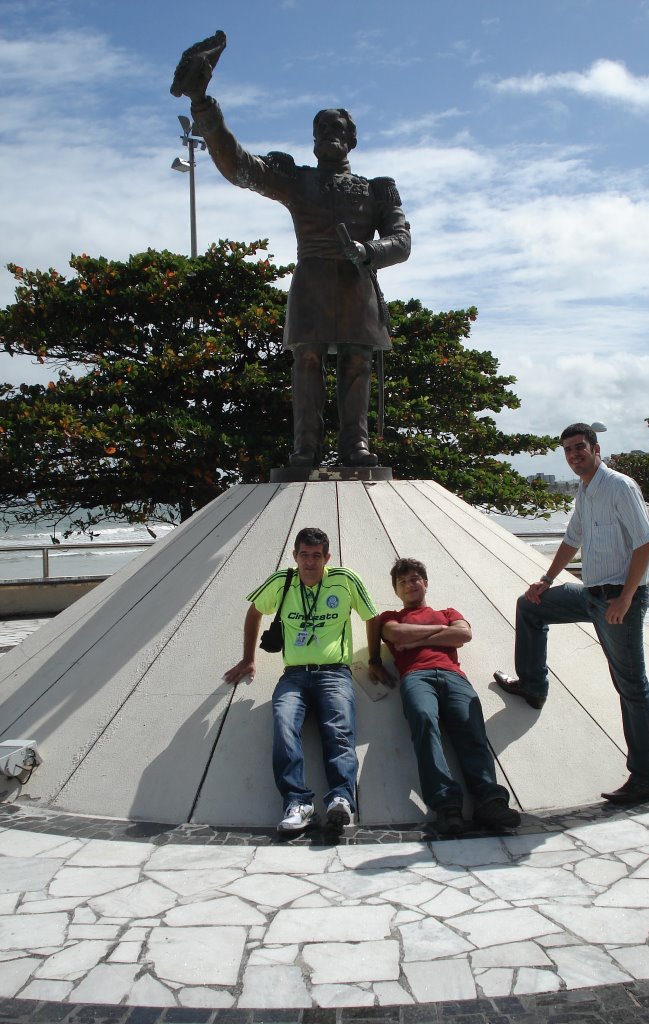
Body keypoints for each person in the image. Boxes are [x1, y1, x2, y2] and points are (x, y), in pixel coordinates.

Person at [173, 35, 411, 468]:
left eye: (336, 130)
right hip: (312, 284)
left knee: (356, 364)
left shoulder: (377, 189)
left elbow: (402, 240)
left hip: (357, 284)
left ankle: (354, 447)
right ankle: (306, 448)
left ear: (351, 140)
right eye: (321, 130)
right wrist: (203, 106)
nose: (328, 136)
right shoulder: (297, 180)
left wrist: (368, 249)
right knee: (307, 362)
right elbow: (238, 166)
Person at [494, 423, 649, 805]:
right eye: (568, 450)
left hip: (620, 600)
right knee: (530, 606)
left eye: (580, 447)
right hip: (590, 594)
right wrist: (546, 580)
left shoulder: (619, 486)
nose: (574, 455)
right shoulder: (585, 492)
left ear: (596, 448)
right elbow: (572, 540)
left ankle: (645, 778)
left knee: (632, 687)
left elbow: (645, 544)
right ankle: (534, 686)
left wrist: (625, 599)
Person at [224, 527, 380, 833]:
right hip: (294, 676)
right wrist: (248, 658)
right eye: (304, 555)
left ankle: (341, 800)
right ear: (295, 556)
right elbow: (254, 611)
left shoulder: (344, 580)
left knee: (339, 732)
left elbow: (371, 616)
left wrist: (374, 659)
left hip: (335, 673)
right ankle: (298, 803)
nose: (310, 562)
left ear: (327, 558)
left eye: (316, 556)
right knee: (284, 726)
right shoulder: (282, 582)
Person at [369, 557, 521, 834]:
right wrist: (442, 632)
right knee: (424, 723)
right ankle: (446, 805)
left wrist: (417, 641)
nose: (409, 585)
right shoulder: (390, 617)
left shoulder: (449, 611)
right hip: (416, 676)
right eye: (402, 582)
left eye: (414, 579)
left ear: (425, 583)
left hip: (454, 677)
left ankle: (489, 800)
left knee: (472, 731)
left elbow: (464, 633)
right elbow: (397, 633)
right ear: (395, 590)